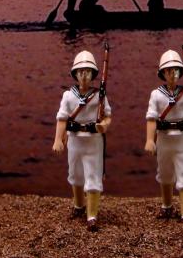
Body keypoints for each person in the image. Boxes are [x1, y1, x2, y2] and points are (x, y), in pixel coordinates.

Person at [53, 50, 111, 231]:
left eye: (87, 72)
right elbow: (62, 119)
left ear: (93, 74)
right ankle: (79, 206)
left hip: (93, 141)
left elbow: (108, 116)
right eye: (80, 72)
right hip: (75, 141)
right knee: (76, 175)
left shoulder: (99, 96)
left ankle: (92, 216)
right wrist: (57, 139)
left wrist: (104, 126)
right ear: (75, 74)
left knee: (93, 178)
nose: (84, 76)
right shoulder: (68, 96)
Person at [145, 50, 183, 224]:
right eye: (168, 70)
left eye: (176, 70)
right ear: (162, 73)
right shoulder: (156, 94)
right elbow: (151, 118)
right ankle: (167, 205)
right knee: (165, 173)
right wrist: (149, 139)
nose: (172, 74)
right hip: (163, 138)